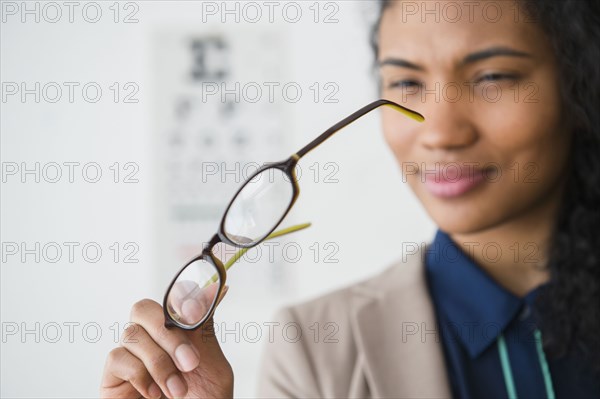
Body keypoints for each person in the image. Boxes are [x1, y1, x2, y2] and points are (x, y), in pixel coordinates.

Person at [100, 1, 600, 397]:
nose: (440, 133)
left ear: (579, 84)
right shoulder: (316, 353)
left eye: (492, 77)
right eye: (406, 82)